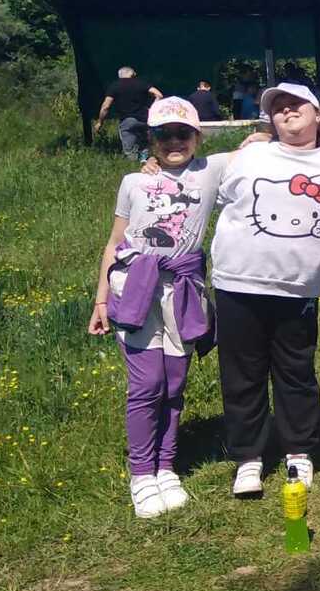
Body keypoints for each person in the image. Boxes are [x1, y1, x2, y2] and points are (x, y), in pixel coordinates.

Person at [87, 97, 228, 518]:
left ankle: (166, 467)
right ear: (151, 140)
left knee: (174, 384)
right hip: (136, 290)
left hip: (183, 291)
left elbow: (260, 144)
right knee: (147, 383)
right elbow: (114, 242)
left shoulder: (211, 172)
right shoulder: (133, 181)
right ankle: (141, 473)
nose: (174, 142)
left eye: (183, 134)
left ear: (198, 137)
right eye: (163, 135)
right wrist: (100, 299)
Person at [211, 82, 320, 497]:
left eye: (296, 104)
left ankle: (298, 451)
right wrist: (151, 165)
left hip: (298, 288)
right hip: (238, 282)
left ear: (318, 114)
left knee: (295, 371)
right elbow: (200, 181)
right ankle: (248, 457)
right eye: (278, 107)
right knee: (242, 374)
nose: (287, 111)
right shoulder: (250, 154)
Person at [95, 67, 164, 158]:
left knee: (130, 152)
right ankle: (144, 162)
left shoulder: (115, 86)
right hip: (144, 120)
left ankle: (132, 165)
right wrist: (152, 109)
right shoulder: (141, 83)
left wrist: (100, 122)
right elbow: (159, 95)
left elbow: (106, 106)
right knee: (144, 148)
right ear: (132, 74)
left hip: (127, 121)